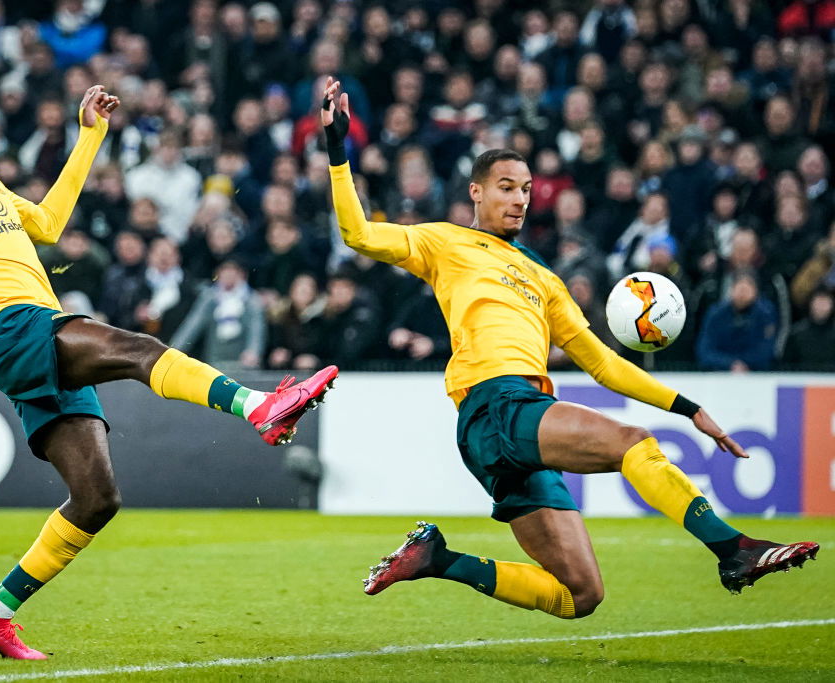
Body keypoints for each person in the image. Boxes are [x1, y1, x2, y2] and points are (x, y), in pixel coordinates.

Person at [0, 73, 338, 660]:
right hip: (7, 331)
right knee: (139, 350)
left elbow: (49, 224)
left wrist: (89, 137)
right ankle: (260, 407)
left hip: (36, 333)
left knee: (96, 499)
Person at [320, 76, 818, 621]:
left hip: (511, 430)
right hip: (498, 405)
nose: (519, 199)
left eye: (527, 189)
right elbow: (359, 234)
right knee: (633, 441)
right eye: (506, 186)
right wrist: (337, 150)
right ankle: (733, 551)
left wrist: (690, 408)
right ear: (477, 192)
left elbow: (603, 363)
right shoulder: (444, 242)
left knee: (579, 596)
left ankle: (438, 558)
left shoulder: (545, 279)